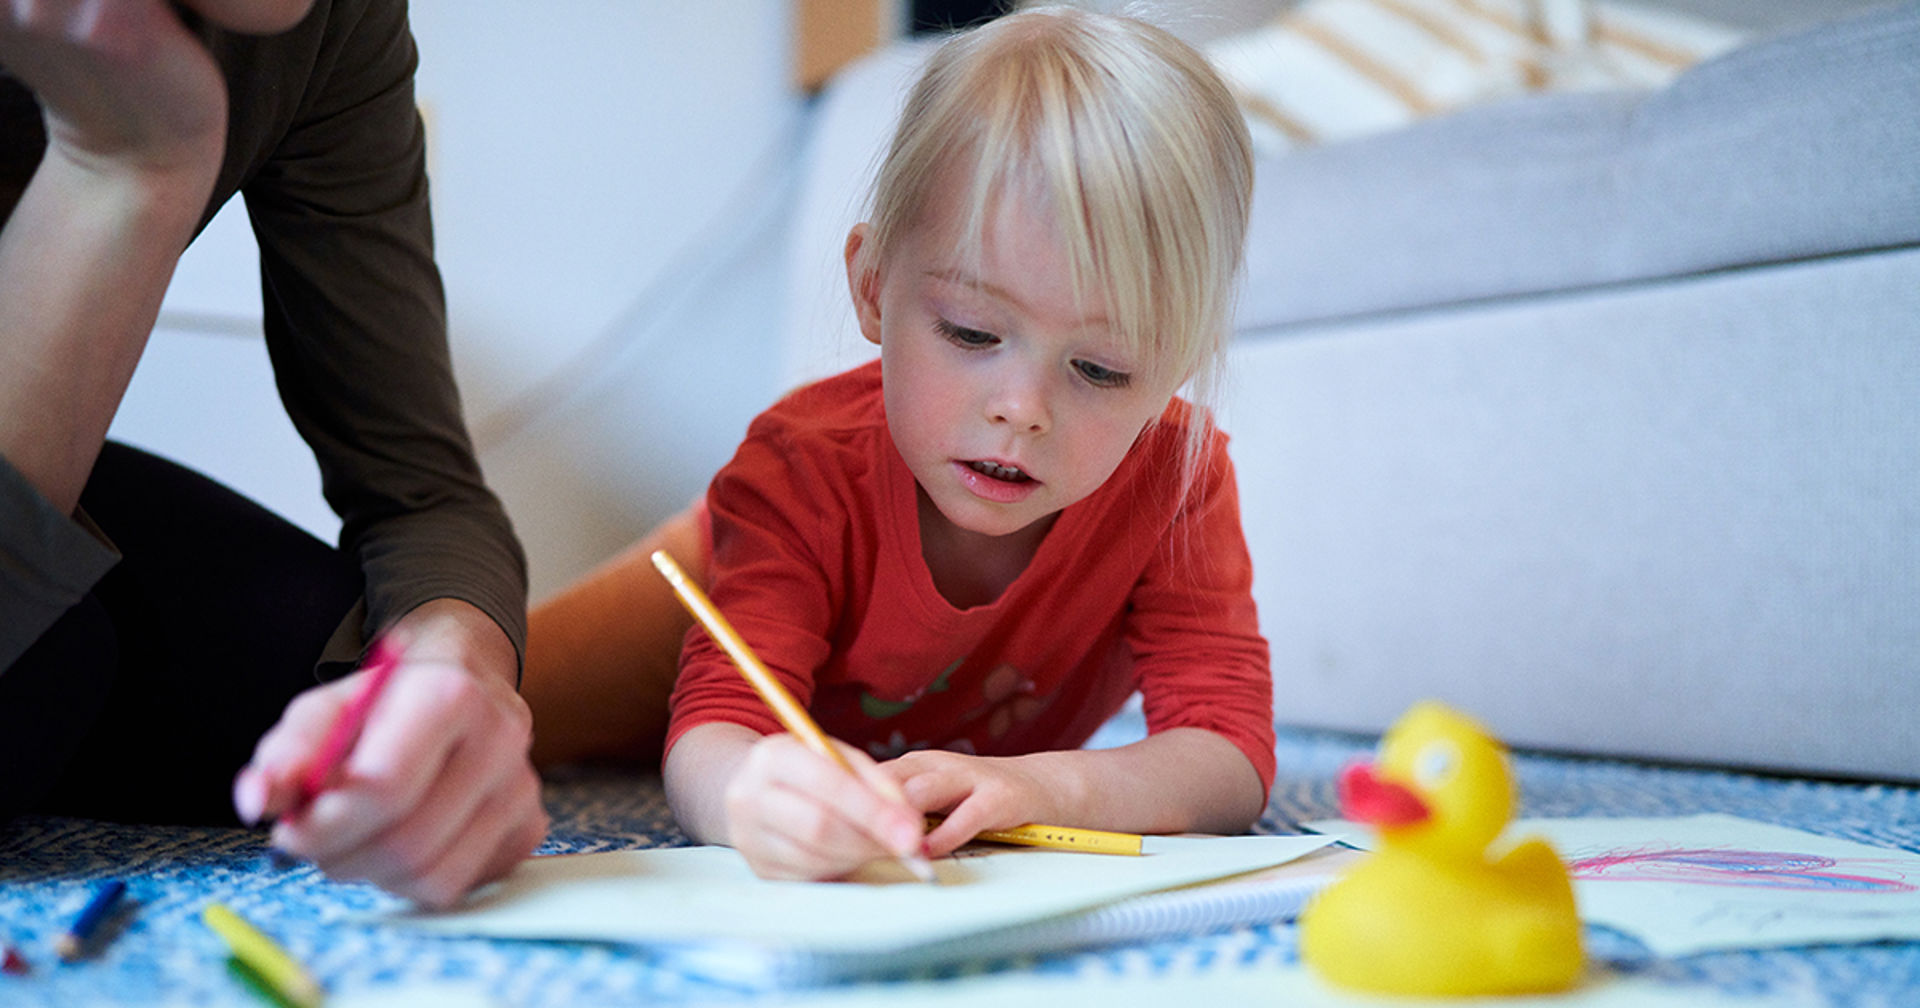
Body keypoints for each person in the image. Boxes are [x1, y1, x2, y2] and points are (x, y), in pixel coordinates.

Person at [648, 6, 1275, 881]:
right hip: (661, 634)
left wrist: (1044, 789)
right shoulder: (800, 465)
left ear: (1177, 366)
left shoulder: (1178, 474)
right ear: (873, 287)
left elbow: (1229, 751)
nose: (1022, 409)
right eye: (974, 333)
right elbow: (711, 732)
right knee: (532, 700)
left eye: (1099, 369)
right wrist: (754, 794)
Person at [0, 0, 545, 908]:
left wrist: (455, 672)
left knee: (317, 668)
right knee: (50, 672)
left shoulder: (333, 22)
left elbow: (422, 494)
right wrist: (125, 167)